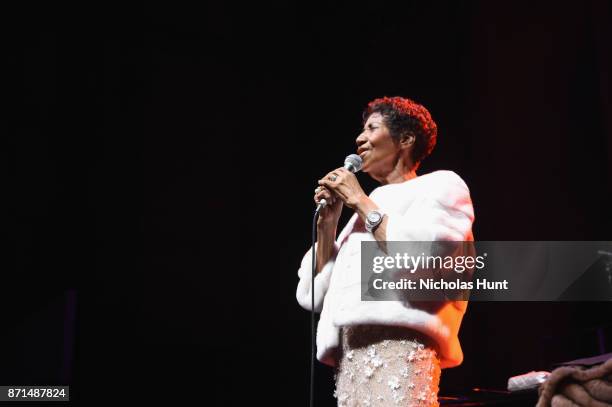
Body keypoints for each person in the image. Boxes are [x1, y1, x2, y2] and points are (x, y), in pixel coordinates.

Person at [296, 96, 475, 406]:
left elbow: (423, 258)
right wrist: (328, 223)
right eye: (361, 129)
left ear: (405, 139)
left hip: (399, 353)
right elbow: (313, 295)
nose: (359, 138)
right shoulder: (364, 208)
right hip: (350, 363)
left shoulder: (441, 186)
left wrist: (359, 200)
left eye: (372, 128)